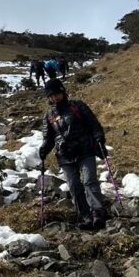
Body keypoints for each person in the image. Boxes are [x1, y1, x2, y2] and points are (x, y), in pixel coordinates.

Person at [37, 78, 108, 229]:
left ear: (63, 92)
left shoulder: (78, 106)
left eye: (56, 94)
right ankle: (85, 217)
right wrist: (44, 149)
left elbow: (94, 124)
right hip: (65, 155)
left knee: (89, 180)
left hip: (85, 149)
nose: (54, 98)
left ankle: (97, 214)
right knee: (75, 186)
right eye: (51, 96)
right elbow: (48, 138)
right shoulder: (48, 116)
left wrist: (99, 138)